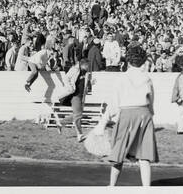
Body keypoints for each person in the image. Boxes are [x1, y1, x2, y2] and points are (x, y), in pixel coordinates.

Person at [95, 44, 158, 186]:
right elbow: (151, 100)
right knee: (144, 156)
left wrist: (102, 124)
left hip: (127, 114)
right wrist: (151, 114)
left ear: (128, 62)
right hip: (144, 114)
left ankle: (112, 186)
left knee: (118, 153)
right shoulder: (147, 78)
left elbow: (113, 104)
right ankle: (146, 188)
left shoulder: (121, 79)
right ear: (143, 61)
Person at [59, 59, 92, 142]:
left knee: (77, 114)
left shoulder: (87, 73)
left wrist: (91, 83)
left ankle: (61, 123)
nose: (88, 67)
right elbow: (66, 78)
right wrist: (70, 88)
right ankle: (80, 135)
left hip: (82, 96)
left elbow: (86, 84)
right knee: (78, 115)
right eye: (87, 65)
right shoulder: (75, 69)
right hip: (75, 95)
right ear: (82, 65)